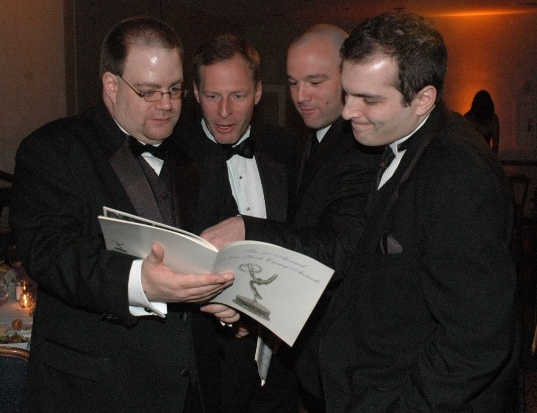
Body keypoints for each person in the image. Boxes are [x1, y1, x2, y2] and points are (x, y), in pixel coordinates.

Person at [10, 16, 240, 412]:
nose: (166, 104)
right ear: (111, 85)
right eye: (149, 92)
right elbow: (50, 252)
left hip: (195, 389)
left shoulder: (203, 154)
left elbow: (227, 245)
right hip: (95, 391)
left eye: (174, 89)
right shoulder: (52, 149)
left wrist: (232, 302)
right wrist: (139, 283)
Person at [311, 12, 517, 412]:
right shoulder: (391, 136)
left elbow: (477, 338)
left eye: (369, 99)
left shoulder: (457, 175)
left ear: (423, 99)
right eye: (347, 94)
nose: (348, 112)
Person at [200, 24, 381, 412]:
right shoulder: (306, 140)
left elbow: (337, 247)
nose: (301, 96)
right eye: (294, 82)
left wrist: (248, 229)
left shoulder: (357, 146)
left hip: (317, 357)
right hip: (214, 366)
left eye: (315, 82)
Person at [176, 34, 298, 412]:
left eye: (238, 96)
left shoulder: (289, 150)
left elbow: (303, 240)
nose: (225, 111)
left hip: (282, 357)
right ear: (196, 93)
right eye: (213, 96)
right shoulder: (172, 159)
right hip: (207, 362)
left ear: (259, 92)